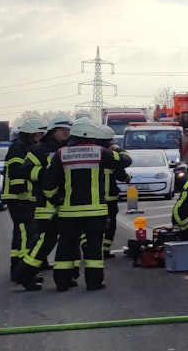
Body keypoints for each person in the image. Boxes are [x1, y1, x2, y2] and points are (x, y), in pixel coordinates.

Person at [37, 121, 126, 292]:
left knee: (66, 247)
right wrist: (116, 147)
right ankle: (94, 283)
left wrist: (56, 200)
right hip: (95, 211)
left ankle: (63, 282)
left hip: (69, 212)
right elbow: (124, 161)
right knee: (94, 249)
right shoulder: (100, 152)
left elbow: (48, 185)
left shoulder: (60, 154)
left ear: (73, 135)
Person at [18, 119, 72, 291]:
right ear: (53, 131)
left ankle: (67, 276)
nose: (66, 133)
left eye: (68, 130)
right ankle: (25, 273)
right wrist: (48, 174)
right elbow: (26, 170)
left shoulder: (68, 148)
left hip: (65, 202)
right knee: (45, 242)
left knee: (67, 240)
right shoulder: (39, 149)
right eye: (62, 130)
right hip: (45, 204)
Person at [2, 119, 48, 285]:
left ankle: (21, 267)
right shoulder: (19, 146)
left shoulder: (24, 146)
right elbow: (16, 171)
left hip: (25, 197)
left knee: (24, 232)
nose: (42, 137)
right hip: (19, 198)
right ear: (33, 133)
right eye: (40, 133)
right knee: (24, 233)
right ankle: (21, 269)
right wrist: (21, 191)